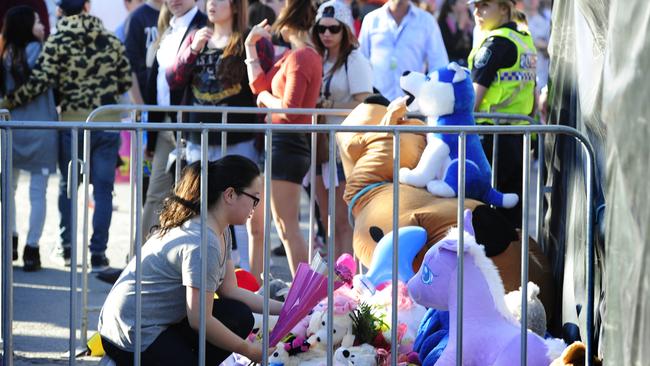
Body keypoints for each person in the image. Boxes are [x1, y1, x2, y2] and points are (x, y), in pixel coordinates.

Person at [98, 156, 282, 365]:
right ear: (230, 195)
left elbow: (230, 291)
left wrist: (286, 309)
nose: (255, 207)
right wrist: (248, 349)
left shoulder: (220, 229)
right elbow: (200, 321)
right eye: (254, 199)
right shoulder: (204, 242)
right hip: (130, 334)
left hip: (152, 323)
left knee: (239, 315)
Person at [0, 0, 132, 272]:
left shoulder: (58, 40)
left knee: (69, 188)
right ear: (87, 7)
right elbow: (125, 80)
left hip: (72, 124)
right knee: (104, 190)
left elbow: (40, 81)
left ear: (59, 11)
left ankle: (69, 249)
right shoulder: (109, 38)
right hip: (106, 124)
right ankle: (98, 254)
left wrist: (10, 102)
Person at [165, 0, 274, 279]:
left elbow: (264, 84)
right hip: (198, 139)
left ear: (235, 5)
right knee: (199, 209)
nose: (211, 4)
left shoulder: (250, 40)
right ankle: (205, 275)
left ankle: (248, 279)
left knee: (244, 213)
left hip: (240, 139)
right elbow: (173, 79)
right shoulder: (196, 35)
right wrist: (192, 51)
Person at [245, 0, 322, 277]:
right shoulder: (295, 55)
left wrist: (265, 99)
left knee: (287, 226)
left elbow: (288, 110)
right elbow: (260, 85)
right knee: (277, 225)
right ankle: (291, 293)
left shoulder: (302, 56)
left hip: (287, 144)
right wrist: (249, 47)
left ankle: (304, 296)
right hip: (281, 143)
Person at [468, 0, 537, 227]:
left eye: (485, 5)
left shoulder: (496, 43)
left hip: (491, 138)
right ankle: (513, 260)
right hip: (518, 137)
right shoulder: (524, 41)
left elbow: (474, 98)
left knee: (486, 212)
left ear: (504, 9)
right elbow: (532, 93)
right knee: (512, 211)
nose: (477, 11)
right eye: (475, 6)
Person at [312, 0, 372, 258]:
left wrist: (328, 105)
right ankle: (334, 281)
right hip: (321, 146)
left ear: (345, 29)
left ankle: (344, 283)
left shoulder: (354, 58)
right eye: (321, 29)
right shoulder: (320, 57)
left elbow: (365, 102)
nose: (326, 34)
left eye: (333, 29)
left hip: (344, 148)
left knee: (342, 220)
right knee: (327, 221)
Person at [141, 0, 206, 238]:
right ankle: (139, 259)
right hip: (164, 125)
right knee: (155, 194)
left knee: (191, 197)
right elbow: (156, 84)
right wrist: (151, 137)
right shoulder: (167, 29)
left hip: (192, 126)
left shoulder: (204, 26)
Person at [0, 5, 58, 271]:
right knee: (38, 193)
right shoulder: (45, 52)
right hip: (42, 129)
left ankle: (9, 240)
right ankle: (32, 249)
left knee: (8, 190)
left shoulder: (5, 55)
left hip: (11, 129)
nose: (42, 26)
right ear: (26, 26)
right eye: (37, 22)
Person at [358, 0, 448, 101]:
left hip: (413, 107)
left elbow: (439, 64)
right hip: (378, 106)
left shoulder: (426, 21)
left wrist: (428, 96)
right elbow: (361, 62)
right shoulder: (371, 19)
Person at [437, 0, 474, 66]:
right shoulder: (443, 22)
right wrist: (460, 27)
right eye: (462, 2)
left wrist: (471, 28)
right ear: (452, 6)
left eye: (467, 2)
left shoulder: (470, 18)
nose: (466, 5)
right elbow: (450, 49)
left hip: (467, 62)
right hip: (452, 63)